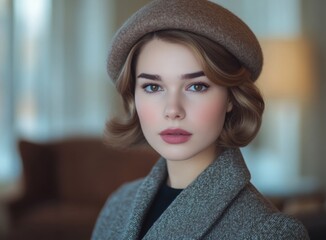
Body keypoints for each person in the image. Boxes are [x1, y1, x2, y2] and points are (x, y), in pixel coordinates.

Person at [92, 0, 309, 239]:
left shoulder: (270, 232)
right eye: (153, 87)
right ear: (133, 96)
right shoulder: (117, 205)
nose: (173, 110)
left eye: (196, 86)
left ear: (230, 98)